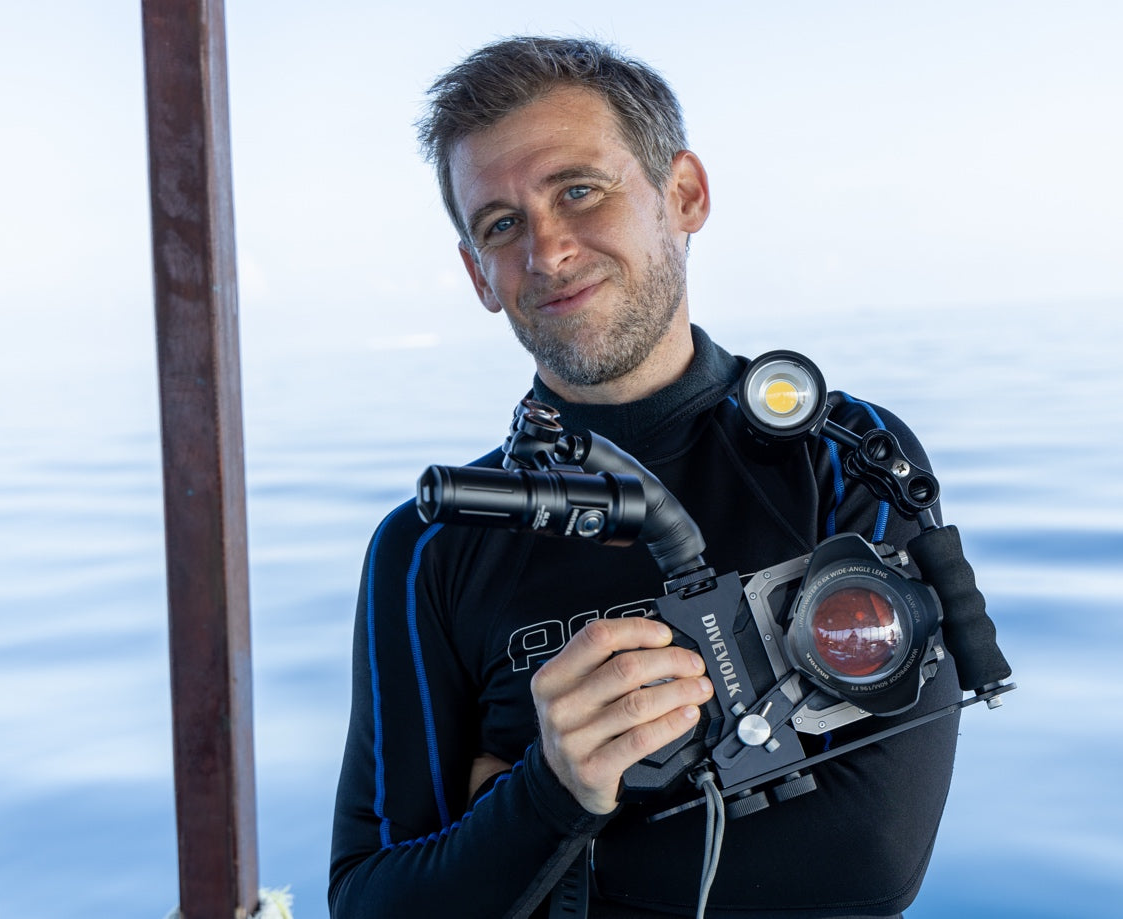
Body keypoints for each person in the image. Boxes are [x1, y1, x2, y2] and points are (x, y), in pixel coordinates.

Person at [329, 36, 961, 919]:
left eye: (578, 191)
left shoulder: (839, 456)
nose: (546, 252)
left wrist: (517, 819)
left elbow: (866, 864)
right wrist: (551, 786)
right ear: (478, 274)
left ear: (684, 195)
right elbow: (373, 903)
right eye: (501, 225)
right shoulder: (429, 544)